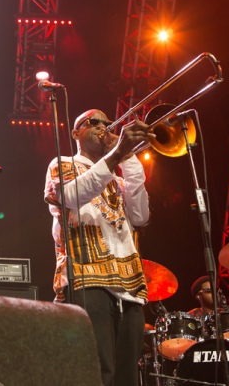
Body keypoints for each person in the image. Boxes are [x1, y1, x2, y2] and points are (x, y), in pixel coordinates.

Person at [44, 109, 154, 386]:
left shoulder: (117, 180)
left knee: (128, 376)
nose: (103, 127)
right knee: (97, 371)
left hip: (129, 287)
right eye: (93, 122)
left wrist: (128, 156)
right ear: (76, 132)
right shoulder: (63, 164)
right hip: (86, 279)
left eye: (106, 123)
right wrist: (116, 155)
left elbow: (141, 216)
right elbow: (70, 195)